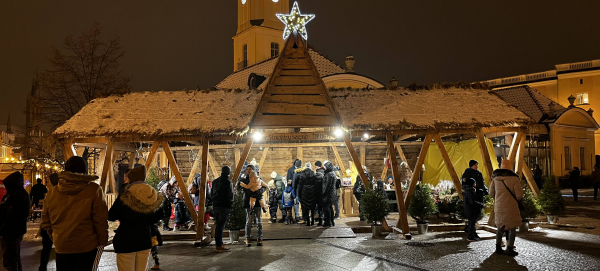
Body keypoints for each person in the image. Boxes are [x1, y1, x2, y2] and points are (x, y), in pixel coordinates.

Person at [41, 156, 109, 271]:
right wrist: (103, 241)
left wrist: (55, 235)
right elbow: (100, 219)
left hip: (62, 245)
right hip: (87, 244)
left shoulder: (52, 192)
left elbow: (45, 220)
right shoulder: (94, 190)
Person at [109, 165, 164, 271]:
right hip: (144, 239)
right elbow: (159, 215)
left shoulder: (125, 195)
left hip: (126, 240)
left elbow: (111, 216)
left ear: (131, 178)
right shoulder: (154, 195)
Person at [490, 159, 523, 256]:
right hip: (511, 206)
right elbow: (519, 196)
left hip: (499, 206)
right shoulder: (514, 179)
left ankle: (498, 247)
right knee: (512, 227)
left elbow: (491, 193)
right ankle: (510, 248)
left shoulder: (495, 178)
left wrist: (499, 197)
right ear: (510, 167)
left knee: (500, 226)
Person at [0, 171, 30, 271]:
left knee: (11, 260)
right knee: (13, 258)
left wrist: (3, 228)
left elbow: (12, 215)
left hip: (12, 231)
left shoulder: (17, 196)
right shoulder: (17, 194)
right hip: (13, 230)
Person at [461, 160, 488, 241]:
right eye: (475, 165)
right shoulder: (468, 173)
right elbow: (466, 184)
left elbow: (482, 183)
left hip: (479, 196)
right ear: (471, 166)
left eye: (477, 165)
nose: (477, 166)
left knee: (477, 215)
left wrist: (486, 191)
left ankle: (471, 229)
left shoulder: (479, 173)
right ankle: (470, 231)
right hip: (473, 196)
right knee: (474, 216)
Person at [211, 165, 235, 252]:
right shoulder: (228, 182)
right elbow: (230, 196)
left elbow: (211, 194)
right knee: (221, 226)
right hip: (224, 206)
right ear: (228, 172)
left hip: (216, 205)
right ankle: (219, 245)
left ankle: (218, 243)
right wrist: (231, 205)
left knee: (218, 225)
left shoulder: (215, 181)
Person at [38, 173, 59, 271]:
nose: (47, 183)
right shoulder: (53, 193)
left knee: (46, 249)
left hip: (51, 226)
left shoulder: (52, 194)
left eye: (48, 181)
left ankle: (42, 268)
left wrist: (44, 226)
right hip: (56, 226)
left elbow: (45, 213)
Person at [241, 165, 264, 247]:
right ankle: (247, 238)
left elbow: (263, 187)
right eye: (247, 169)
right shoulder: (244, 179)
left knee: (259, 222)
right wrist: (253, 192)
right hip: (248, 202)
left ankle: (259, 238)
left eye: (250, 169)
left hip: (257, 202)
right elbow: (245, 190)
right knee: (249, 222)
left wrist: (258, 192)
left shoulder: (259, 179)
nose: (248, 171)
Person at [322, 161, 338, 227]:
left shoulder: (329, 174)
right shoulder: (332, 173)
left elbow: (327, 185)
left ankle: (328, 222)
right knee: (330, 207)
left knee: (326, 207)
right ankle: (331, 221)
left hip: (328, 193)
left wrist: (323, 193)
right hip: (331, 193)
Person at [314, 161, 325, 225]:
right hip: (324, 192)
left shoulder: (318, 173)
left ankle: (320, 219)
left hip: (318, 192)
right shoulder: (324, 171)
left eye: (315, 165)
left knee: (319, 206)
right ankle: (323, 218)